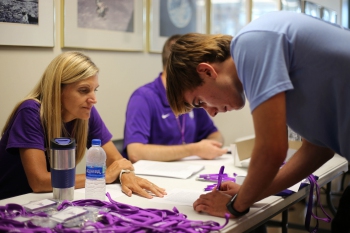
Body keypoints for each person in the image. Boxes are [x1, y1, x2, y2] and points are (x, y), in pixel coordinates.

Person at [165, 11, 350, 233]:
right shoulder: (275, 66)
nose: (211, 113)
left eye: (199, 102)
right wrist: (248, 193)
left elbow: (271, 150)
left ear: (206, 71)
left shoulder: (252, 43)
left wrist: (235, 206)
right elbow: (318, 149)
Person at [0, 51, 166, 200]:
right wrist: (104, 176)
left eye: (95, 90)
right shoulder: (30, 112)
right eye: (83, 90)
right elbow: (39, 181)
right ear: (58, 90)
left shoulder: (86, 113)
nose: (93, 99)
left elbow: (116, 160)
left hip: (49, 200)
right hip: (13, 202)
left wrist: (125, 173)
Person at [123, 34, 227, 162]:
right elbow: (135, 152)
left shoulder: (194, 94)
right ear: (176, 67)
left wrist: (210, 146)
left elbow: (216, 135)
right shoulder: (143, 97)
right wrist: (194, 149)